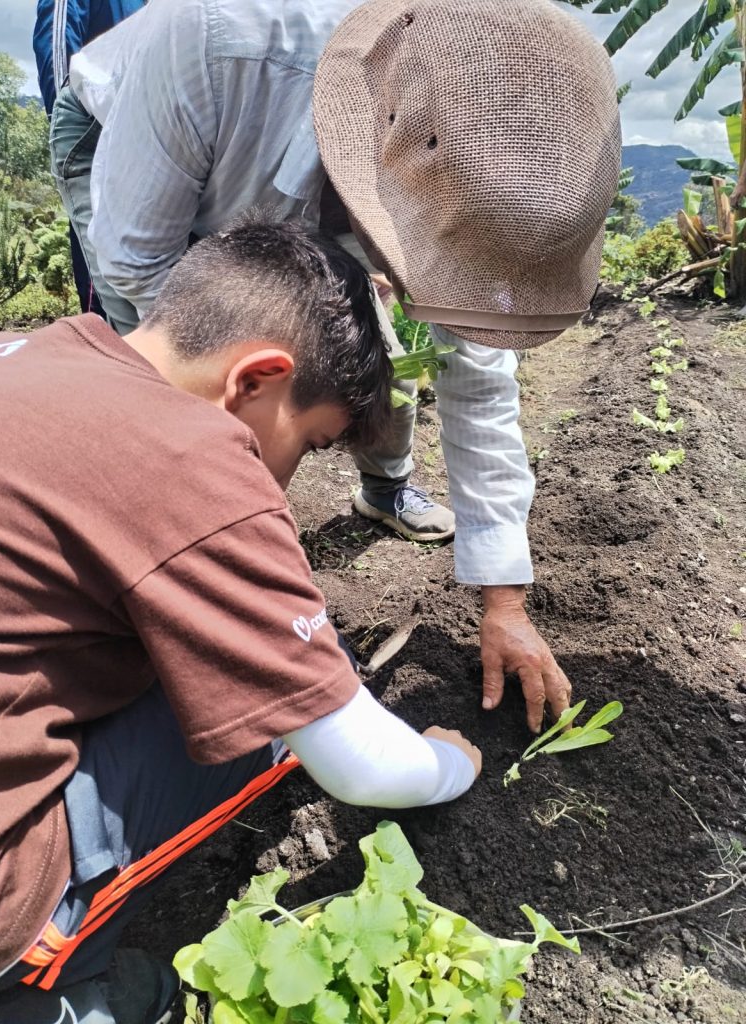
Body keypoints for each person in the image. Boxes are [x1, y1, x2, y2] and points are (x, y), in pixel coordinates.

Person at [50, 0, 620, 737]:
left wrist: (503, 599)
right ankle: (163, 582)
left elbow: (474, 376)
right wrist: (236, 483)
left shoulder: (469, 162)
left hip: (304, 157)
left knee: (370, 356)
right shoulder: (221, 40)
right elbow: (138, 262)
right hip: (135, 138)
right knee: (180, 398)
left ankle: (384, 491)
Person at [0, 218, 481, 1024]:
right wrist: (450, 760)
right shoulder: (188, 454)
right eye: (310, 443)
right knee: (271, 725)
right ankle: (44, 984)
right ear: (257, 381)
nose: (281, 481)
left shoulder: (21, 352)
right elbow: (364, 770)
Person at [33, 0, 146, 317]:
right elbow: (57, 44)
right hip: (100, 150)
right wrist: (72, 143)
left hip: (154, 151)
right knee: (106, 293)